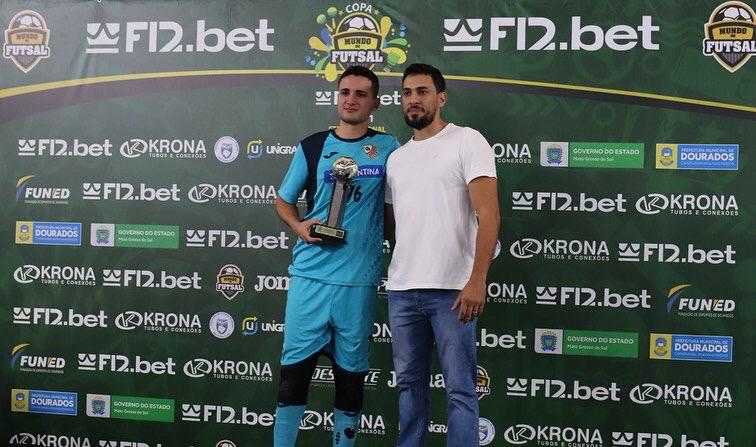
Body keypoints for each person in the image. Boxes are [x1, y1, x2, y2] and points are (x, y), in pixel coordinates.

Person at [273, 65, 400, 447]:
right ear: (336, 97)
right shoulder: (312, 146)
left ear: (375, 102)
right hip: (310, 279)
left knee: (350, 382)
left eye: (362, 93)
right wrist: (299, 228)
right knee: (293, 377)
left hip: (357, 283)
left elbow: (401, 208)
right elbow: (283, 200)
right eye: (346, 91)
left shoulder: (391, 148)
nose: (352, 99)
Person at [384, 63, 500, 447]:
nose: (413, 100)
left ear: (441, 97)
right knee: (409, 389)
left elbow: (489, 215)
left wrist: (477, 279)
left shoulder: (467, 141)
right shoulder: (396, 159)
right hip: (402, 292)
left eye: (422, 91)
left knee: (461, 391)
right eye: (406, 93)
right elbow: (396, 225)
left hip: (453, 292)